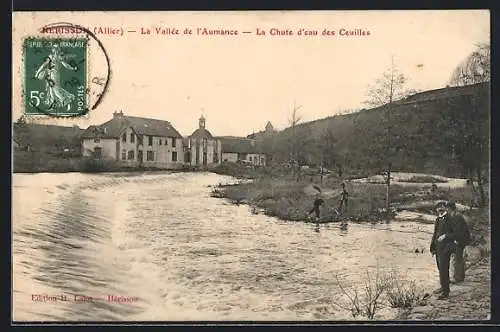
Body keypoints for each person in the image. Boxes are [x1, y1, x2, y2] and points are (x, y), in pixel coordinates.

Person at [429, 201, 471, 299]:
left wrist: (447, 237)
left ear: (445, 208)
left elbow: (457, 232)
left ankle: (445, 292)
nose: (439, 209)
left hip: (446, 247)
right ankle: (444, 287)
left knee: (444, 268)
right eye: (437, 208)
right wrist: (432, 247)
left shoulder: (452, 218)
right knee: (441, 269)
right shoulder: (438, 219)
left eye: (441, 207)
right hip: (438, 247)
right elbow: (435, 234)